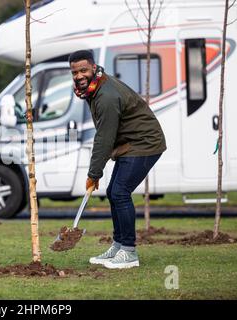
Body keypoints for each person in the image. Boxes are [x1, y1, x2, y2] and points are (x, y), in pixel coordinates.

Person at [68, 50, 166, 269]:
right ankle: (118, 245)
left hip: (145, 143)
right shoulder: (95, 89)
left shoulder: (106, 96)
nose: (79, 75)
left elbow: (104, 137)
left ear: (94, 68)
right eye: (74, 72)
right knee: (114, 192)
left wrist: (94, 173)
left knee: (120, 192)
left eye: (83, 70)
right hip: (130, 144)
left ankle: (129, 253)